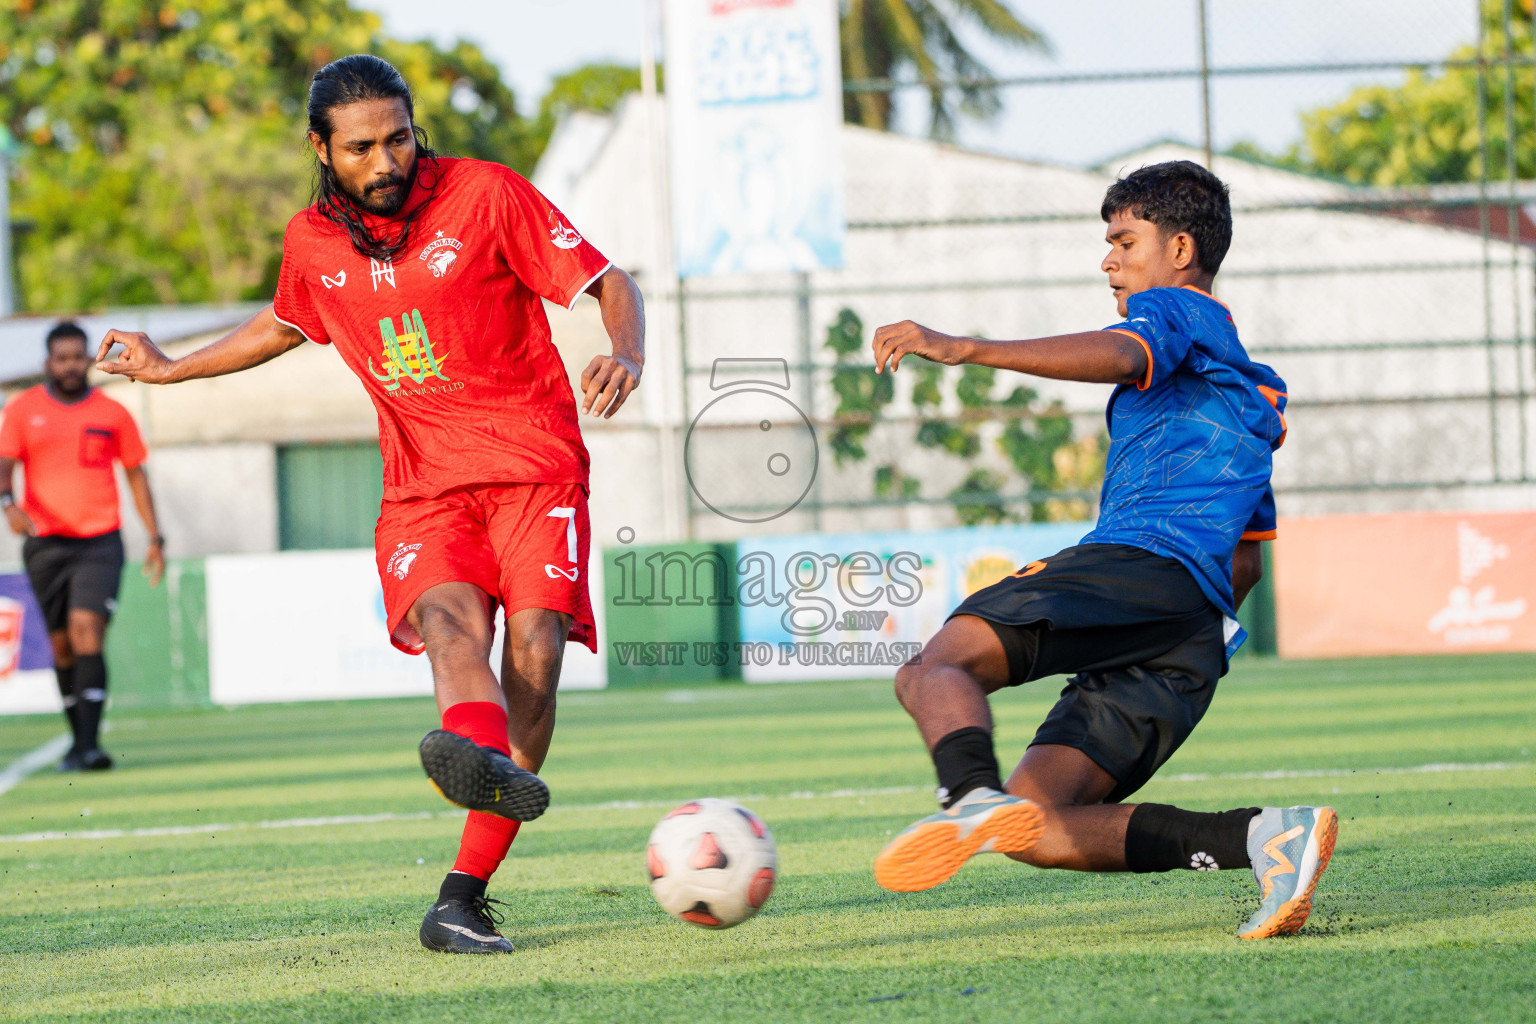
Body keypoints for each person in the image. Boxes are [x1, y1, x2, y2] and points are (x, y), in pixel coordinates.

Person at [93, 55, 644, 955]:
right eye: (361, 148)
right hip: (423, 487)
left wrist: (626, 352)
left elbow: (610, 283)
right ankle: (471, 775)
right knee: (451, 629)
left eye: (397, 138)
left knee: (537, 654)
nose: (385, 160)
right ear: (322, 149)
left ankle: (464, 886)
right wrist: (170, 365)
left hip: (536, 468)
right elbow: (282, 323)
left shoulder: (486, 194)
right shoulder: (311, 240)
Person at [867, 161, 1334, 941]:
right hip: (1189, 630)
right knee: (1040, 822)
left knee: (934, 668)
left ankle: (967, 798)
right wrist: (1191, 647)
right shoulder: (1245, 401)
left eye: (1125, 240)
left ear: (1180, 248)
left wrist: (965, 348)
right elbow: (1246, 561)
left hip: (1139, 567)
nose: (1108, 260)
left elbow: (1123, 354)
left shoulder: (1180, 313)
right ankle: (1263, 838)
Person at [0, 321, 166, 772]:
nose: (72, 365)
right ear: (47, 363)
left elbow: (136, 474)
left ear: (90, 359)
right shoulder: (22, 410)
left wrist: (155, 536)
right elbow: (4, 466)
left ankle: (91, 746)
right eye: (62, 357)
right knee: (62, 647)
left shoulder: (113, 413)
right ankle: (77, 743)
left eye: (78, 356)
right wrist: (8, 504)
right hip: (45, 544)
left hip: (99, 542)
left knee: (86, 632)